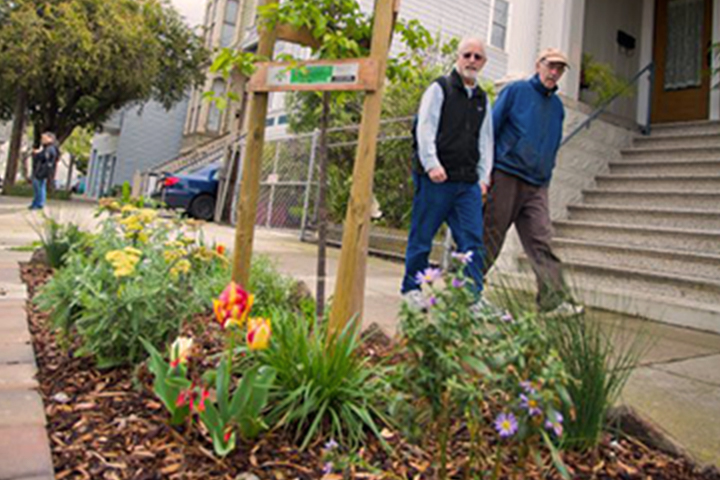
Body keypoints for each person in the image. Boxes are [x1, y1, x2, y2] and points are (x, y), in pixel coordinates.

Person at [483, 48, 583, 316]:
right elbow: (491, 128)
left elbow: (551, 143)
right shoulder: (516, 91)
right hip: (506, 174)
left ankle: (552, 301)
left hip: (537, 184)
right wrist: (485, 171)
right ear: (538, 64)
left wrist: (546, 175)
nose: (554, 72)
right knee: (491, 234)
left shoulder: (557, 107)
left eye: (560, 69)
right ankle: (463, 293)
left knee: (542, 240)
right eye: (551, 66)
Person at [401, 37, 494, 312]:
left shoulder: (482, 99)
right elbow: (426, 128)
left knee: (472, 241)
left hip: (467, 184)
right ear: (458, 57)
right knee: (422, 236)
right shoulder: (439, 88)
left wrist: (483, 178)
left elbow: (486, 141)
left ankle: (472, 298)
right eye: (467, 55)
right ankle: (411, 289)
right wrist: (431, 163)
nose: (472, 61)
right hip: (437, 179)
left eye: (478, 57)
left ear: (484, 63)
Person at [29, 132, 59, 210]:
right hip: (43, 170)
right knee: (40, 187)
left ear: (50, 139)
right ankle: (37, 203)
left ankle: (38, 204)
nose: (42, 140)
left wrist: (37, 154)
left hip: (42, 171)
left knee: (38, 187)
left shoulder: (49, 149)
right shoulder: (48, 148)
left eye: (44, 138)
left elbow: (44, 158)